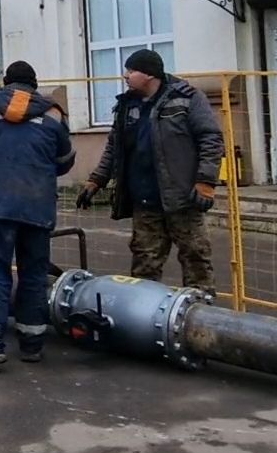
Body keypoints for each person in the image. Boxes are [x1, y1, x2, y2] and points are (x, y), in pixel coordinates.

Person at [0, 61, 75, 370]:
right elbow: (64, 161)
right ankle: (32, 344)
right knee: (34, 273)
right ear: (34, 85)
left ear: (7, 82)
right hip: (38, 207)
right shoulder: (54, 113)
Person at [77, 48, 225, 292]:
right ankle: (142, 317)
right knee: (144, 266)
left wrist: (206, 181)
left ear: (149, 74)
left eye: (131, 70)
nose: (125, 75)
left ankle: (201, 317)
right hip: (145, 201)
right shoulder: (127, 105)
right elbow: (115, 147)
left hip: (182, 200)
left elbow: (211, 139)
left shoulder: (188, 98)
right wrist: (96, 180)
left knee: (196, 259)